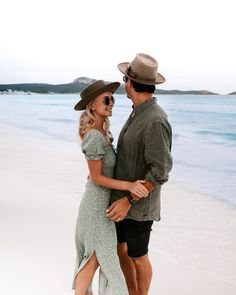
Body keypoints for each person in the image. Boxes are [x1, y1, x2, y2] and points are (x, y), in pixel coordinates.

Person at [72, 80, 149, 295]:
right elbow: (96, 177)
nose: (111, 103)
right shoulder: (95, 137)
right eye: (106, 99)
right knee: (94, 258)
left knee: (97, 258)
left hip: (101, 207)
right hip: (95, 207)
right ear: (92, 106)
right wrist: (130, 185)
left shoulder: (102, 134)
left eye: (112, 98)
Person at [106, 53, 173, 295]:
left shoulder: (154, 120)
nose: (124, 82)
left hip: (138, 206)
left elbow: (160, 172)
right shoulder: (138, 111)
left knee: (138, 257)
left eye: (124, 78)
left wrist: (128, 201)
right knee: (119, 249)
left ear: (130, 83)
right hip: (122, 200)